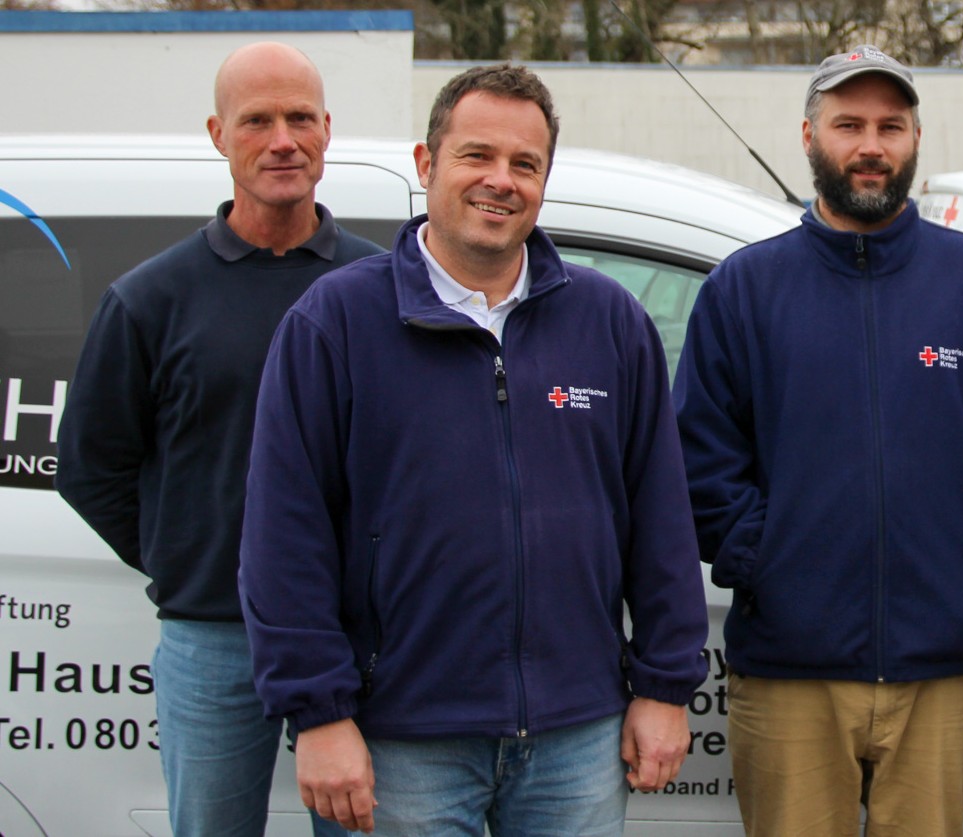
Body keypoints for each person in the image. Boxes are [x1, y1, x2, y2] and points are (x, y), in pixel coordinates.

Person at [237, 64, 708, 836]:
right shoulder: (337, 322)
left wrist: (663, 687)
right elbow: (284, 535)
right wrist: (318, 713)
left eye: (526, 164)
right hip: (401, 742)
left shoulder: (610, 323)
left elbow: (659, 518)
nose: (502, 181)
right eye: (476, 155)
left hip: (577, 737)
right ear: (426, 166)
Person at [674, 44, 963, 836]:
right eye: (848, 124)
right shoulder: (745, 288)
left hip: (942, 668)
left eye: (890, 125)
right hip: (789, 672)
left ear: (915, 139)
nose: (870, 145)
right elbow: (700, 460)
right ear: (809, 136)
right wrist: (769, 559)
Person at [53, 42, 383, 837]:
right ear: (217, 134)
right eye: (257, 121)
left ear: (327, 130)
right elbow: (89, 468)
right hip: (212, 639)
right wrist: (188, 555)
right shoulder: (150, 299)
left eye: (300, 118)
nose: (282, 140)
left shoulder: (379, 288)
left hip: (360, 640)